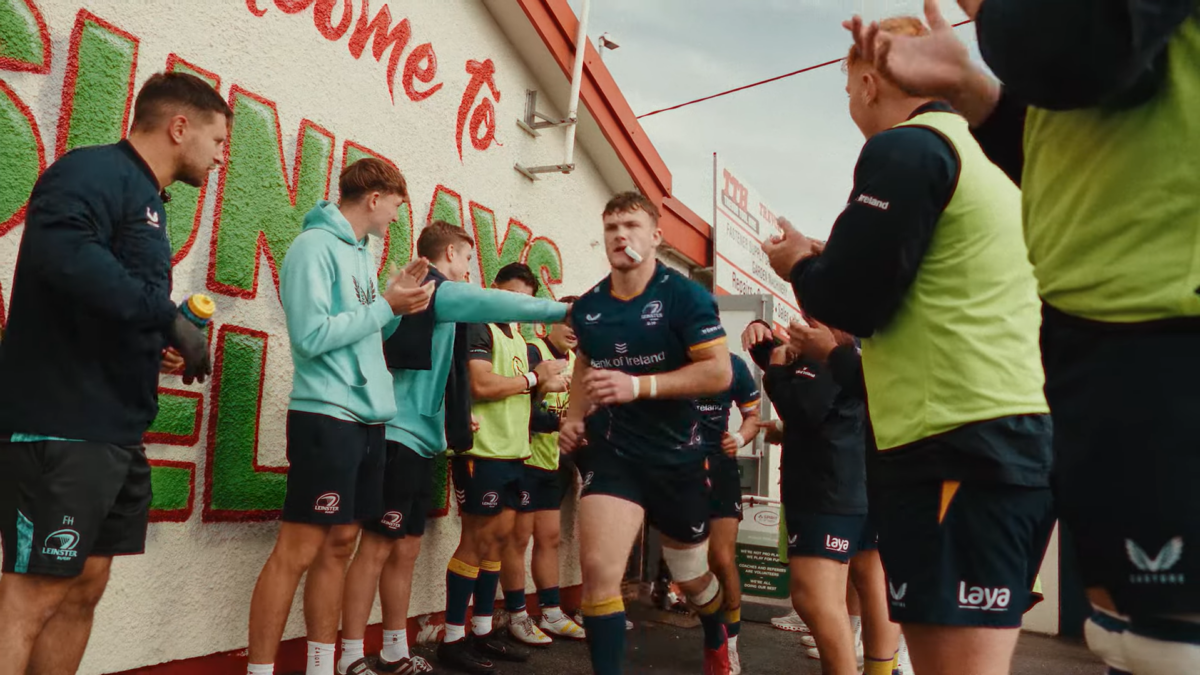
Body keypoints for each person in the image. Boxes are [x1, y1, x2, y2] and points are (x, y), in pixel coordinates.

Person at [846, 2, 1200, 672]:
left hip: (1164, 321)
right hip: (1100, 337)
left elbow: (1079, 42)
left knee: (1166, 647)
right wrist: (975, 91)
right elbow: (1078, 138)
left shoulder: (914, 149)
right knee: (1130, 638)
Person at [761, 15, 1055, 675]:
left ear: (869, 81)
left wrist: (798, 266)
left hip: (958, 448)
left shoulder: (906, 148)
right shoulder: (983, 158)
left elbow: (852, 300)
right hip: (999, 443)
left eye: (845, 89)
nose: (849, 106)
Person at [0, 72, 227, 675]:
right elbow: (62, 256)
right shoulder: (93, 171)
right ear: (180, 127)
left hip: (114, 429)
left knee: (86, 584)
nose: (222, 155)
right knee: (34, 593)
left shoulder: (148, 200)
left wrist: (159, 342)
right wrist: (163, 318)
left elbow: (108, 300)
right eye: (218, 139)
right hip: (61, 420)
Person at [335, 223, 572, 675]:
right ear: (449, 253)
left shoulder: (434, 301)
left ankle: (393, 652)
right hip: (397, 439)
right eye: (466, 260)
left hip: (425, 442)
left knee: (404, 551)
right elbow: (495, 301)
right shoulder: (433, 288)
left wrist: (453, 422)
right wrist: (564, 311)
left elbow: (442, 375)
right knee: (375, 550)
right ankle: (349, 658)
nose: (468, 271)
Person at [245, 159, 436, 675]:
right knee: (299, 549)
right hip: (325, 416)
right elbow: (310, 337)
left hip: (370, 420)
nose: (397, 217)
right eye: (396, 204)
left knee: (342, 544)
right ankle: (260, 670)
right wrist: (385, 306)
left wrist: (397, 304)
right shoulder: (312, 248)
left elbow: (366, 333)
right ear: (374, 198)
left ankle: (321, 666)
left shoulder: (363, 256)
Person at [559, 191, 735, 675]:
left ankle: (717, 634)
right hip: (615, 452)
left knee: (692, 578)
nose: (621, 235)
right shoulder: (592, 304)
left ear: (655, 236)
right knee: (598, 574)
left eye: (632, 226)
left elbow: (718, 373)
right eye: (612, 227)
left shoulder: (685, 296)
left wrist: (638, 385)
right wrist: (575, 417)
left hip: (677, 457)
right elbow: (585, 363)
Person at [743, 319, 899, 675]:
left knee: (815, 598)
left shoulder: (829, 342)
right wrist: (768, 347)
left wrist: (776, 372)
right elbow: (818, 388)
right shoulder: (870, 336)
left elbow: (805, 407)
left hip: (828, 486)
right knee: (872, 584)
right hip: (867, 478)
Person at [437, 262, 569, 674]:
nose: (518, 306)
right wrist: (534, 378)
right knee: (475, 542)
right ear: (494, 290)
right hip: (482, 452)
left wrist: (543, 390)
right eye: (510, 296)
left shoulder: (520, 338)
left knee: (496, 542)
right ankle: (452, 637)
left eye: (525, 300)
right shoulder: (481, 326)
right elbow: (481, 385)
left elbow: (522, 396)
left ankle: (481, 630)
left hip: (515, 453)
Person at [500, 300, 589, 647]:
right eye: (565, 321)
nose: (571, 329)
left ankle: (551, 612)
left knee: (549, 537)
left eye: (578, 325)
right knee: (517, 539)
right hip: (525, 458)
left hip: (552, 461)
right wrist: (556, 422)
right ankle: (517, 615)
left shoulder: (575, 362)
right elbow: (519, 407)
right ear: (549, 322)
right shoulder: (533, 351)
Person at [697, 353, 760, 675]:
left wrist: (739, 437)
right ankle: (712, 633)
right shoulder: (665, 355)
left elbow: (752, 415)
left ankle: (729, 644)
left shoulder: (732, 364)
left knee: (721, 558)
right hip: (677, 471)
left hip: (720, 468)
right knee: (691, 565)